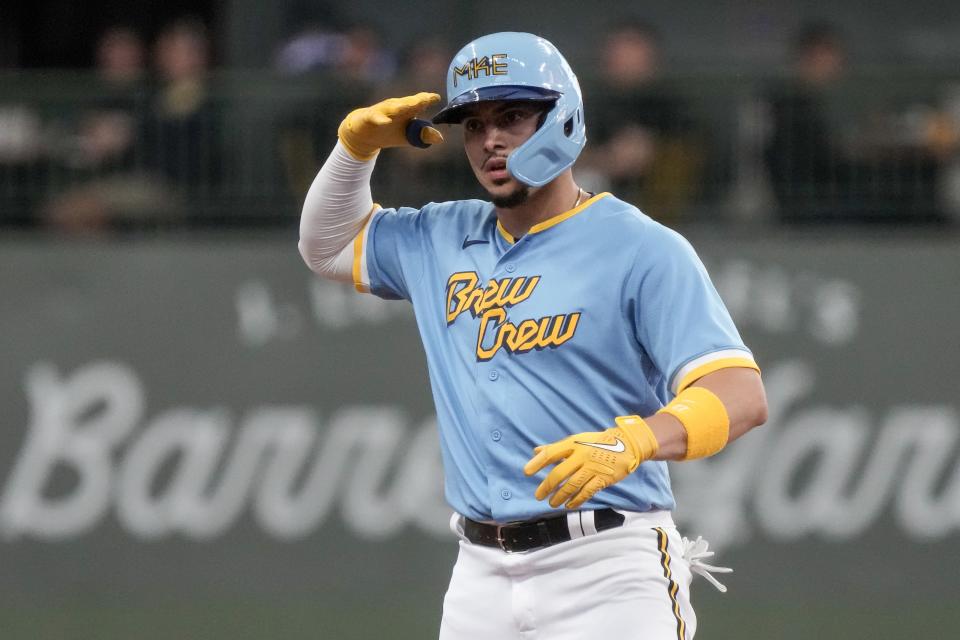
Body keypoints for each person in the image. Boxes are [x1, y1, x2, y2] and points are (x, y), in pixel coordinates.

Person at [298, 32, 767, 639]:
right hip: (480, 573)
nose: (490, 139)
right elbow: (326, 245)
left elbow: (741, 394)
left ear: (563, 117)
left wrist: (635, 442)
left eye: (513, 116)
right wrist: (353, 151)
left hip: (608, 566)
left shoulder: (640, 247)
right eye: (473, 124)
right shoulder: (440, 237)